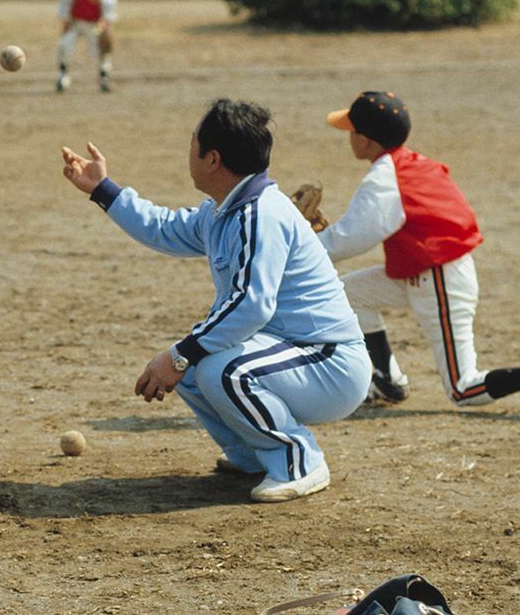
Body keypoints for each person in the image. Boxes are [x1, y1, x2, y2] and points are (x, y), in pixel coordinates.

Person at [60, 99, 369, 502]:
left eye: (193, 141)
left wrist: (177, 355)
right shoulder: (227, 209)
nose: (188, 148)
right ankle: (253, 455)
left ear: (212, 159)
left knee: (212, 366)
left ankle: (298, 461)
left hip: (328, 363)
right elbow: (165, 229)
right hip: (289, 354)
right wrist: (103, 189)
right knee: (195, 365)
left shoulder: (259, 214)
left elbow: (251, 306)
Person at [315, 91, 520, 406]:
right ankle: (387, 381)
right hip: (424, 274)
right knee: (347, 293)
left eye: (353, 131)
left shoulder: (386, 177)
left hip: (440, 279)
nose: (349, 137)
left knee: (462, 389)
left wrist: (306, 247)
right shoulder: (409, 163)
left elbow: (352, 237)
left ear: (368, 141)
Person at [55, 0, 118, 94]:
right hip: (76, 23)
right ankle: (63, 76)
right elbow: (64, 2)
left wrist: (106, 23)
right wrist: (64, 19)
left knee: (101, 50)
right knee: (65, 45)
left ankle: (104, 77)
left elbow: (109, 5)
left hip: (94, 24)